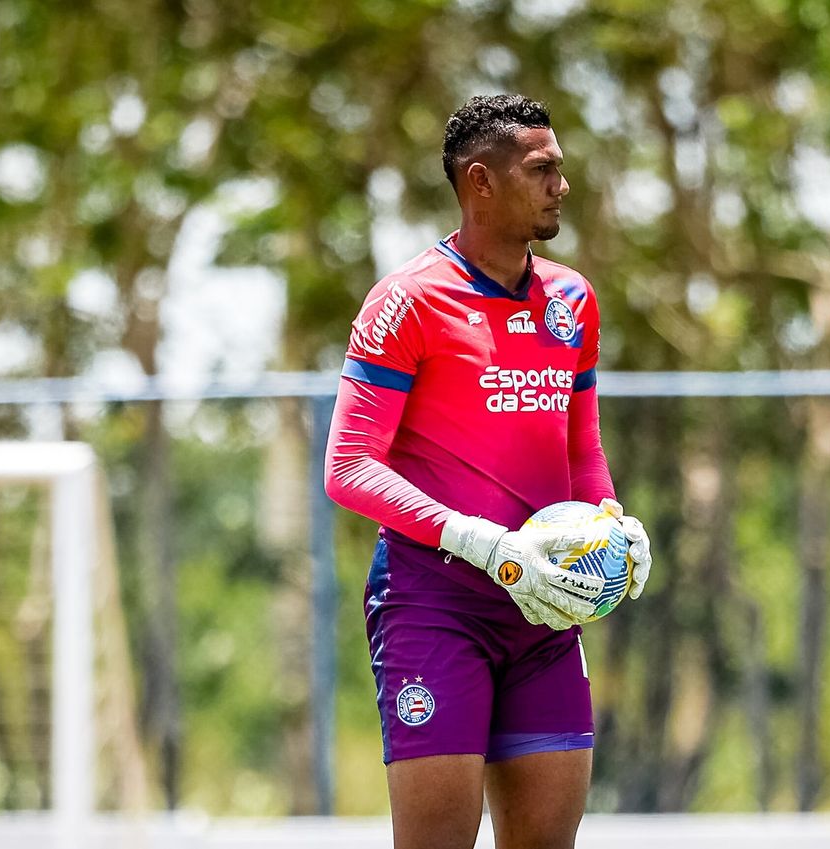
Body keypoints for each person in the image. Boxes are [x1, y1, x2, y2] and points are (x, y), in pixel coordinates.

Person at [324, 94, 652, 849]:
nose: (561, 185)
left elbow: (582, 451)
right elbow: (348, 467)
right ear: (480, 183)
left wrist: (613, 520)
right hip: (435, 607)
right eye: (543, 170)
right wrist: (478, 542)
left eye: (559, 169)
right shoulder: (406, 300)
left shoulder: (573, 299)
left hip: (543, 612)